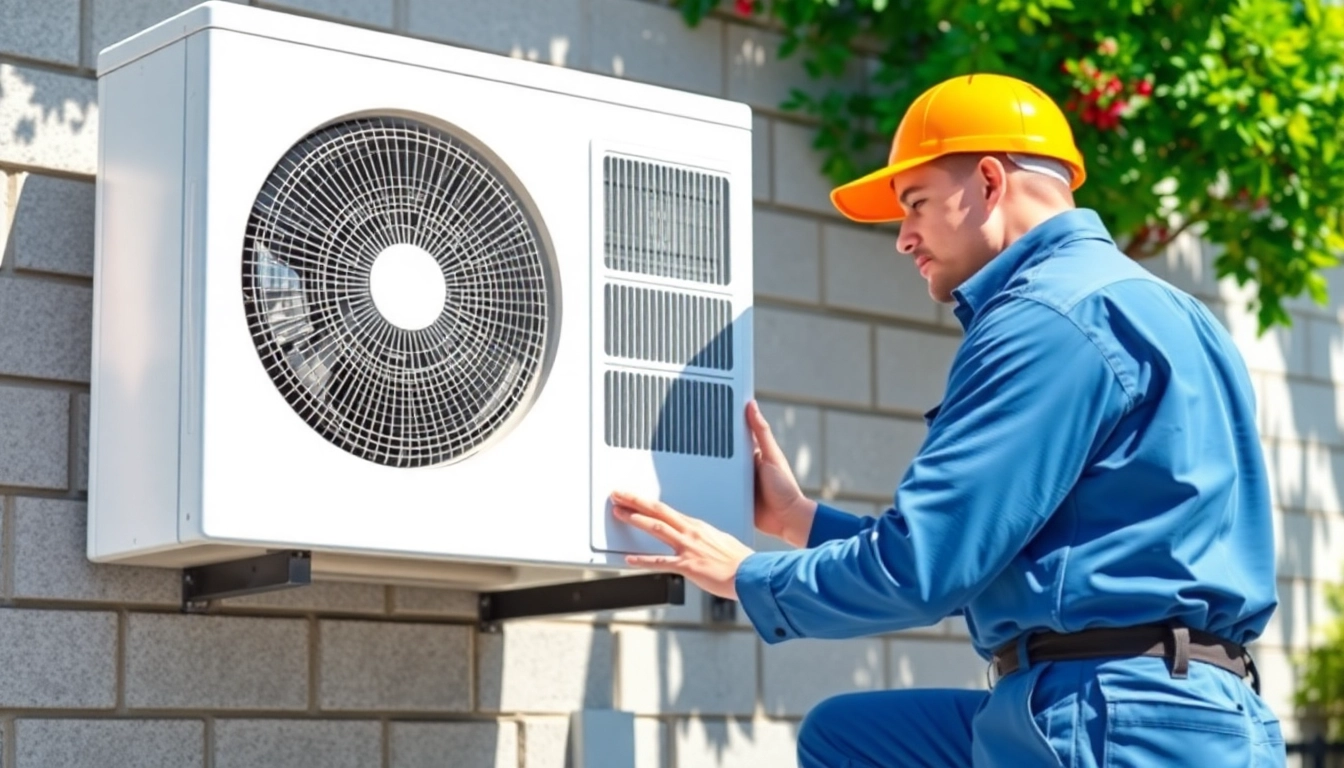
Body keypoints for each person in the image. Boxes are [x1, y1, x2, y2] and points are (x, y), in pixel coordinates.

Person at [609, 72, 1284, 767]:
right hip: (1185, 708)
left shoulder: (1044, 318)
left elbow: (924, 568)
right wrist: (797, 520)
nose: (903, 237)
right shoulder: (1169, 312)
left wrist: (748, 576)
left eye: (917, 203)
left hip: (1108, 719)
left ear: (990, 182)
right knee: (849, 739)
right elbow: (1007, 560)